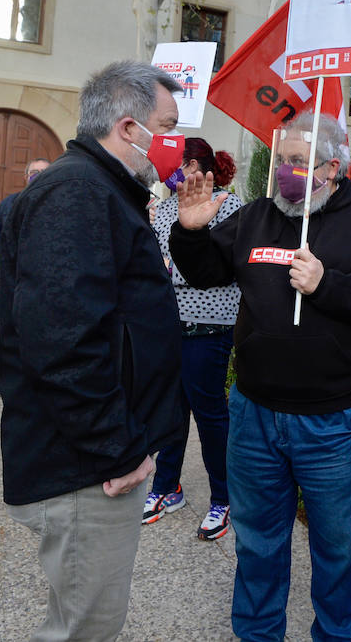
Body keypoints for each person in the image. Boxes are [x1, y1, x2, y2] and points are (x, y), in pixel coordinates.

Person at [172, 112, 351, 642]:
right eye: (281, 159)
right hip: (254, 415)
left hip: (331, 422)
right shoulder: (258, 216)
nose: (284, 170)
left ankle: (339, 634)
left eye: (297, 162)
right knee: (257, 544)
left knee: (339, 547)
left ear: (334, 167)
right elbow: (205, 271)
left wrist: (328, 283)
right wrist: (190, 233)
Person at [0, 61, 184, 642]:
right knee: (85, 629)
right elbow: (63, 342)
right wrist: (118, 449)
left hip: (92, 456)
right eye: (169, 125)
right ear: (130, 128)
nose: (176, 141)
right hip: (85, 468)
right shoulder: (77, 192)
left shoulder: (103, 189)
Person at [143, 138, 240, 540]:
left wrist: (171, 273)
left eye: (175, 165)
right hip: (169, 324)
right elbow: (153, 264)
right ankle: (167, 487)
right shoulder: (161, 208)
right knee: (171, 411)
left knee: (209, 413)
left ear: (196, 166)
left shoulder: (228, 206)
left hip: (210, 325)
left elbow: (221, 266)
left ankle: (224, 497)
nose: (167, 173)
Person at [0, 157, 51, 398]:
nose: (39, 175)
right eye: (34, 172)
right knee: (8, 333)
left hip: (45, 283)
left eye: (45, 171)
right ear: (25, 177)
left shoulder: (59, 202)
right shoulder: (9, 204)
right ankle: (5, 381)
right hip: (12, 282)